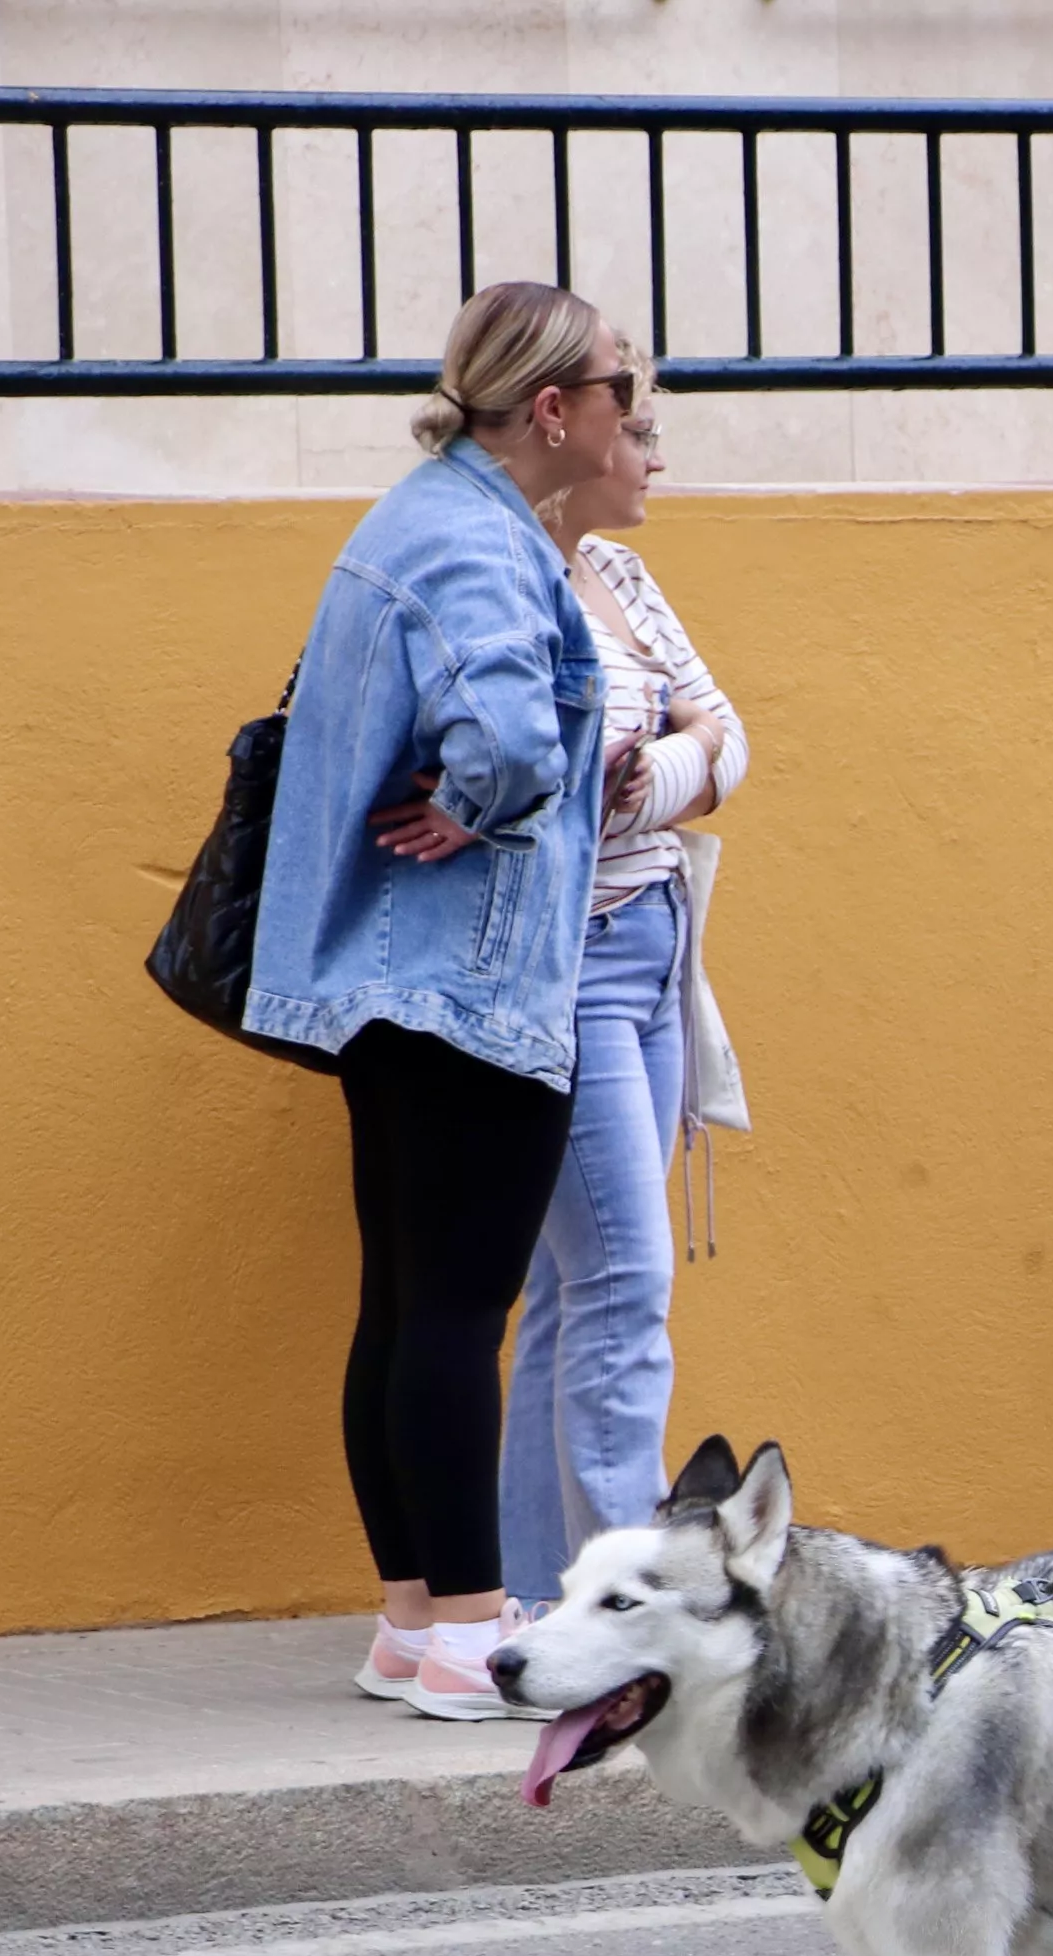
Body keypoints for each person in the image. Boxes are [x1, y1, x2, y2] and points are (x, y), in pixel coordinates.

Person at [249, 283, 626, 1722]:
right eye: (615, 388)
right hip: (467, 981)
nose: (630, 414)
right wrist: (479, 806)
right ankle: (473, 1622)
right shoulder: (477, 539)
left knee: (407, 1304)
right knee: (462, 1306)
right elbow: (513, 741)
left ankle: (414, 1617)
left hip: (391, 984)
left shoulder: (418, 516)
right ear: (552, 410)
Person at [498, 385, 752, 1610]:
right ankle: (634, 1612)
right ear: (570, 431)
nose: (654, 455)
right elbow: (567, 798)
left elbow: (734, 739)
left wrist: (662, 770)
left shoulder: (621, 577)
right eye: (641, 432)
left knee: (572, 1289)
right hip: (579, 963)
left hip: (656, 948)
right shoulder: (518, 569)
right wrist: (673, 760)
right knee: (620, 1289)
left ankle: (544, 1600)